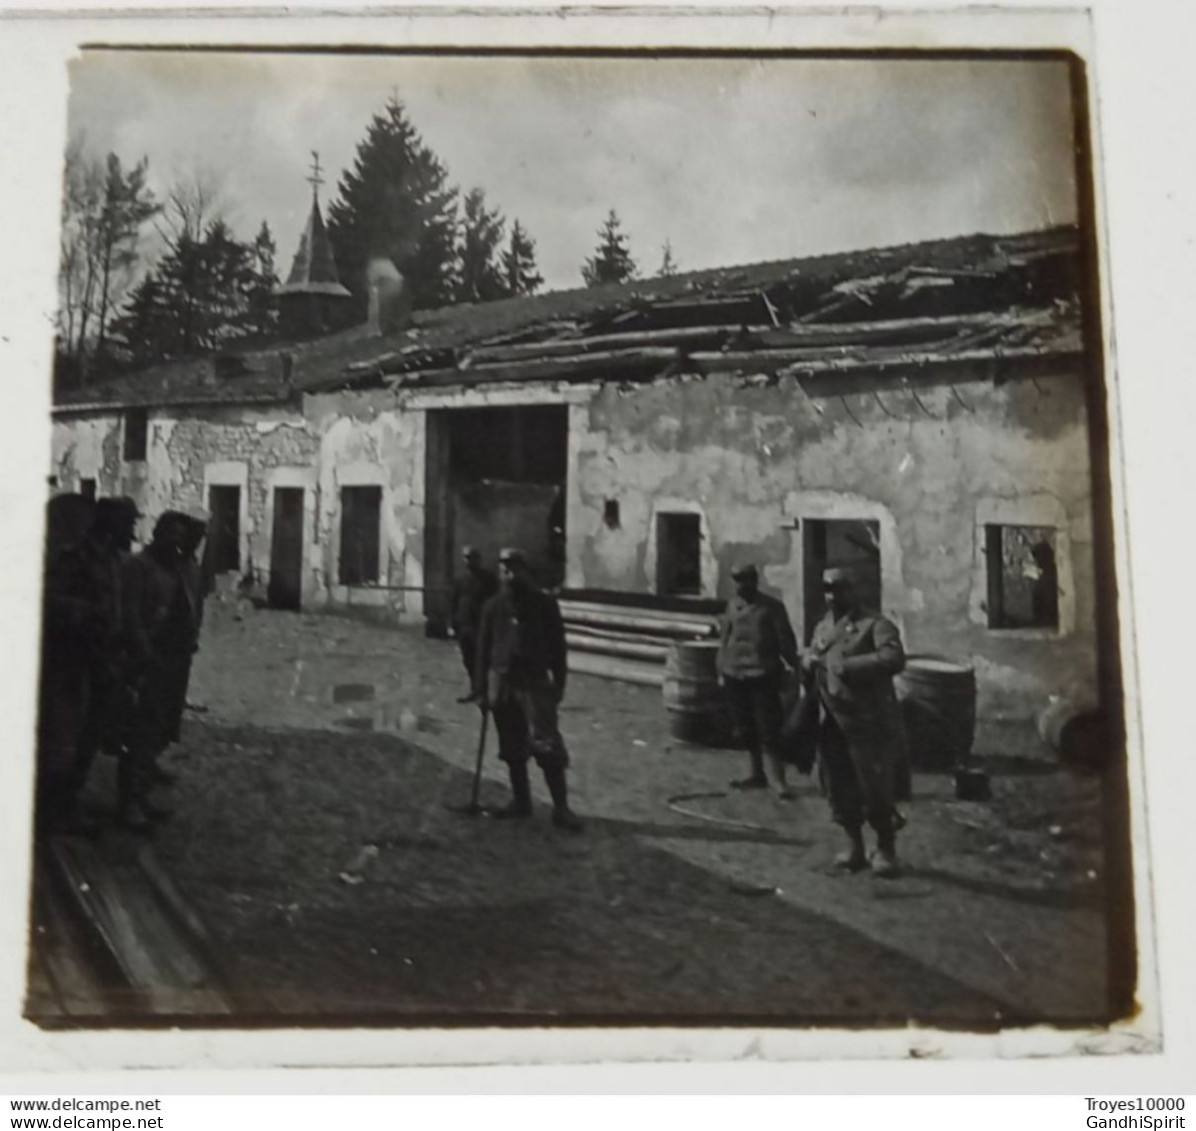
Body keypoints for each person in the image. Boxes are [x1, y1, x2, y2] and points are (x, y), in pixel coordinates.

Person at [36, 496, 139, 835]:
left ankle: (69, 804)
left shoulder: (113, 560)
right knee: (67, 736)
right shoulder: (77, 557)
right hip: (74, 661)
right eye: (128, 523)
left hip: (103, 660)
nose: (133, 530)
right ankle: (51, 813)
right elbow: (48, 598)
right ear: (110, 524)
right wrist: (84, 612)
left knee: (90, 735)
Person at [805, 566, 907, 877]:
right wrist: (807, 662)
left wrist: (849, 666)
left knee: (874, 785)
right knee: (838, 783)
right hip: (831, 717)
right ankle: (854, 846)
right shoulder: (823, 627)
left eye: (838, 589)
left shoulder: (876, 625)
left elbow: (894, 659)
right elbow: (816, 654)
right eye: (827, 589)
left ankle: (886, 848)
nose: (831, 595)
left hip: (867, 719)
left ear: (853, 590)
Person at [474, 547, 583, 831]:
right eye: (504, 569)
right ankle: (521, 802)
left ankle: (561, 808)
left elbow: (558, 648)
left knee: (547, 746)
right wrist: (481, 690)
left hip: (534, 684)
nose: (510, 575)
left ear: (525, 571)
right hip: (502, 684)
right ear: (499, 573)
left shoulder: (544, 605)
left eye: (515, 569)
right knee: (512, 747)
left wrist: (559, 683)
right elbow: (482, 651)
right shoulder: (492, 607)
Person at [119, 511, 201, 830]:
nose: (177, 542)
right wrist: (143, 653)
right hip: (147, 660)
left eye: (181, 538)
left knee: (157, 730)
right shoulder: (140, 566)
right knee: (138, 732)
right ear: (157, 534)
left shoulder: (176, 568)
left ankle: (141, 797)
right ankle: (128, 805)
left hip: (173, 660)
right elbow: (131, 615)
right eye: (171, 535)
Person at [716, 562, 800, 799]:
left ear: (755, 581)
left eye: (746, 580)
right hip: (735, 675)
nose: (742, 585)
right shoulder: (733, 606)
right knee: (744, 728)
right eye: (738, 580)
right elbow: (725, 639)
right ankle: (756, 774)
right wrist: (721, 669)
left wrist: (796, 667)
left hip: (763, 674)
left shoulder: (772, 608)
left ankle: (779, 781)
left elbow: (785, 640)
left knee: (769, 729)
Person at [450, 546, 497, 703]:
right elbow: (454, 602)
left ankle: (483, 692)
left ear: (478, 560)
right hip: (464, 626)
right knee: (468, 660)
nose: (469, 561)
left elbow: (495, 603)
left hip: (481, 627)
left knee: (482, 660)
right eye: (466, 558)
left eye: (472, 558)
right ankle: (474, 690)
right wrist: (452, 624)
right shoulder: (461, 581)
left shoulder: (489, 580)